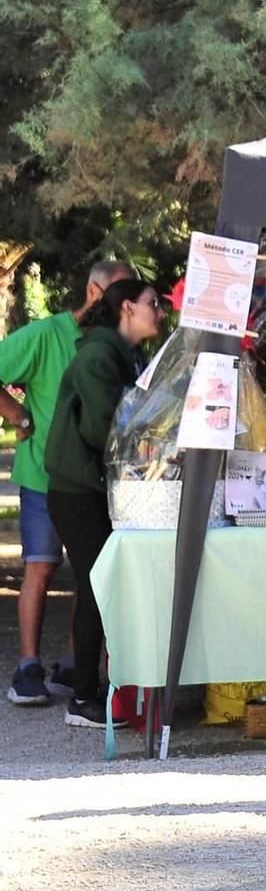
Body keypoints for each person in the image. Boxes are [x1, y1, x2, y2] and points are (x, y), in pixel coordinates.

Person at [0, 259, 133, 707]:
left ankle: (75, 665)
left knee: (91, 574)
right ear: (95, 293)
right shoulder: (45, 335)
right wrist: (18, 416)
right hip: (44, 475)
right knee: (40, 566)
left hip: (94, 480)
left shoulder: (117, 344)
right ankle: (28, 667)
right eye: (120, 294)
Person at [43, 278, 167, 729]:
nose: (160, 311)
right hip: (77, 492)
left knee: (103, 587)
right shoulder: (99, 355)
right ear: (127, 308)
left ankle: (99, 687)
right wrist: (151, 445)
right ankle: (83, 697)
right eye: (153, 303)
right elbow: (103, 429)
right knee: (99, 588)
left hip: (92, 488)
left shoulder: (123, 354)